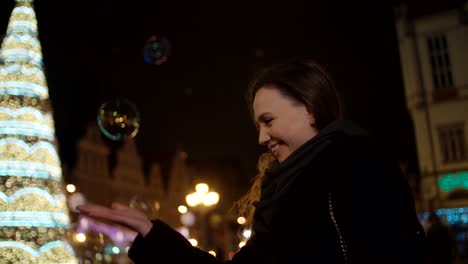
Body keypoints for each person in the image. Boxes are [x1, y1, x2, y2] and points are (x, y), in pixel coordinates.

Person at [78, 60, 427, 264]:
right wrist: (152, 234)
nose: (261, 138)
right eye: (258, 125)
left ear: (308, 108)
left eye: (268, 121)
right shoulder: (284, 191)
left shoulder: (357, 163)